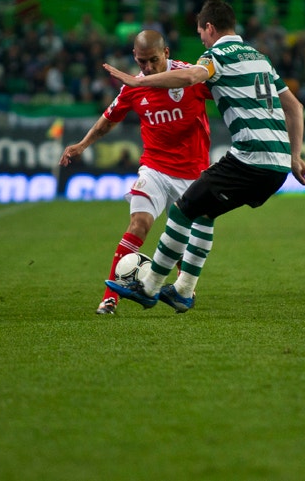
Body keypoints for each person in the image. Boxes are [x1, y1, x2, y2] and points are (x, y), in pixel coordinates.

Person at [101, 0, 305, 313]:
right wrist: (295, 157)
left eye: (201, 31)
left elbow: (189, 77)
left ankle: (149, 286)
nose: (200, 37)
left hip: (250, 158)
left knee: (182, 210)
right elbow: (295, 107)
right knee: (203, 214)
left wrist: (137, 81)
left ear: (210, 27)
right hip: (279, 164)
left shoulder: (217, 55)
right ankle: (183, 291)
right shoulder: (260, 58)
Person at [59, 30, 213, 315]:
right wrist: (82, 144)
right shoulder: (134, 86)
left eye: (154, 60)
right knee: (138, 224)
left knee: (182, 238)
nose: (148, 68)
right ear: (135, 57)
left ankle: (182, 287)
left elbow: (223, 96)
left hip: (192, 172)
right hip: (155, 168)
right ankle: (110, 298)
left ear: (166, 53)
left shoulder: (190, 76)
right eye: (142, 62)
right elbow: (109, 119)